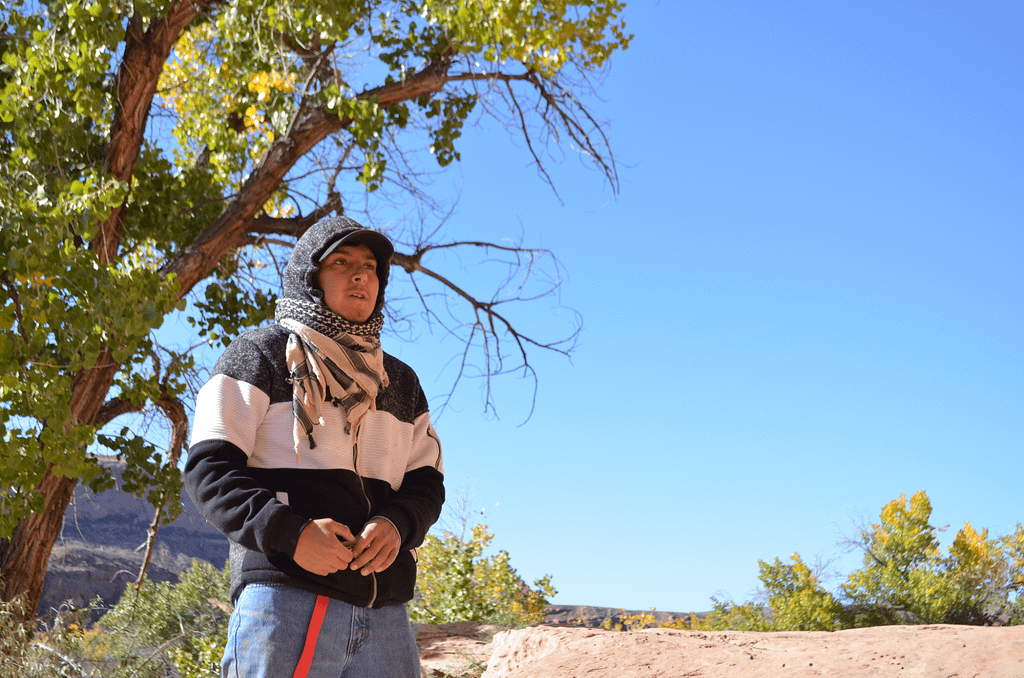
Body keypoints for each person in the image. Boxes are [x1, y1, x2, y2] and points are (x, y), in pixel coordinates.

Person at [184, 216, 445, 678]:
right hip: (284, 598)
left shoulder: (400, 382)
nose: (361, 275)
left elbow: (427, 483)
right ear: (309, 277)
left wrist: (396, 524)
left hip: (384, 611)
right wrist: (292, 533)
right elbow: (210, 470)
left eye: (370, 266)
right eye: (341, 262)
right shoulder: (260, 354)